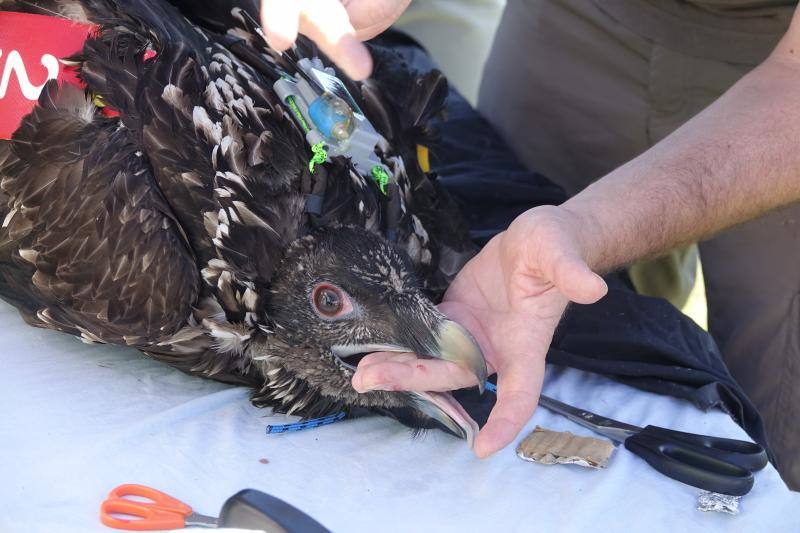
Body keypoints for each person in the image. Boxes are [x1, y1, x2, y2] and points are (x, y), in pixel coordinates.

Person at [259, 0, 800, 489]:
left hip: (781, 68)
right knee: (567, 316)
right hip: (579, 19)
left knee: (780, 443)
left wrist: (584, 229)